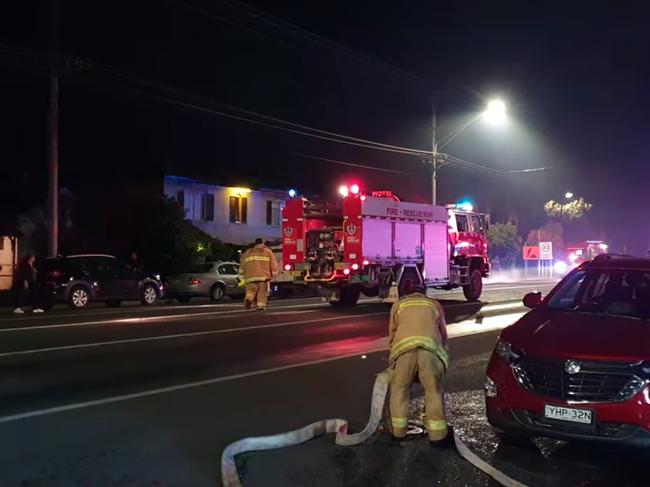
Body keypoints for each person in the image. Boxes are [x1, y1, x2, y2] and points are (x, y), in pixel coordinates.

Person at [388, 282, 449, 445]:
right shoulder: (433, 304)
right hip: (430, 352)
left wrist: (394, 360)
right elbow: (443, 332)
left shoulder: (399, 305)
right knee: (433, 391)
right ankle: (438, 436)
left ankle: (398, 432)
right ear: (424, 292)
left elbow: (392, 333)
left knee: (399, 389)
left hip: (404, 352)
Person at [239, 238, 278, 310]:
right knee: (262, 292)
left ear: (255, 244)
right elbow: (273, 264)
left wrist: (241, 275)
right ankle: (260, 306)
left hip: (250, 276)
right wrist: (274, 273)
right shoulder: (267, 251)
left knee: (250, 291)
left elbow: (242, 265)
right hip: (263, 276)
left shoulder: (248, 252)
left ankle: (248, 299)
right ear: (262, 243)